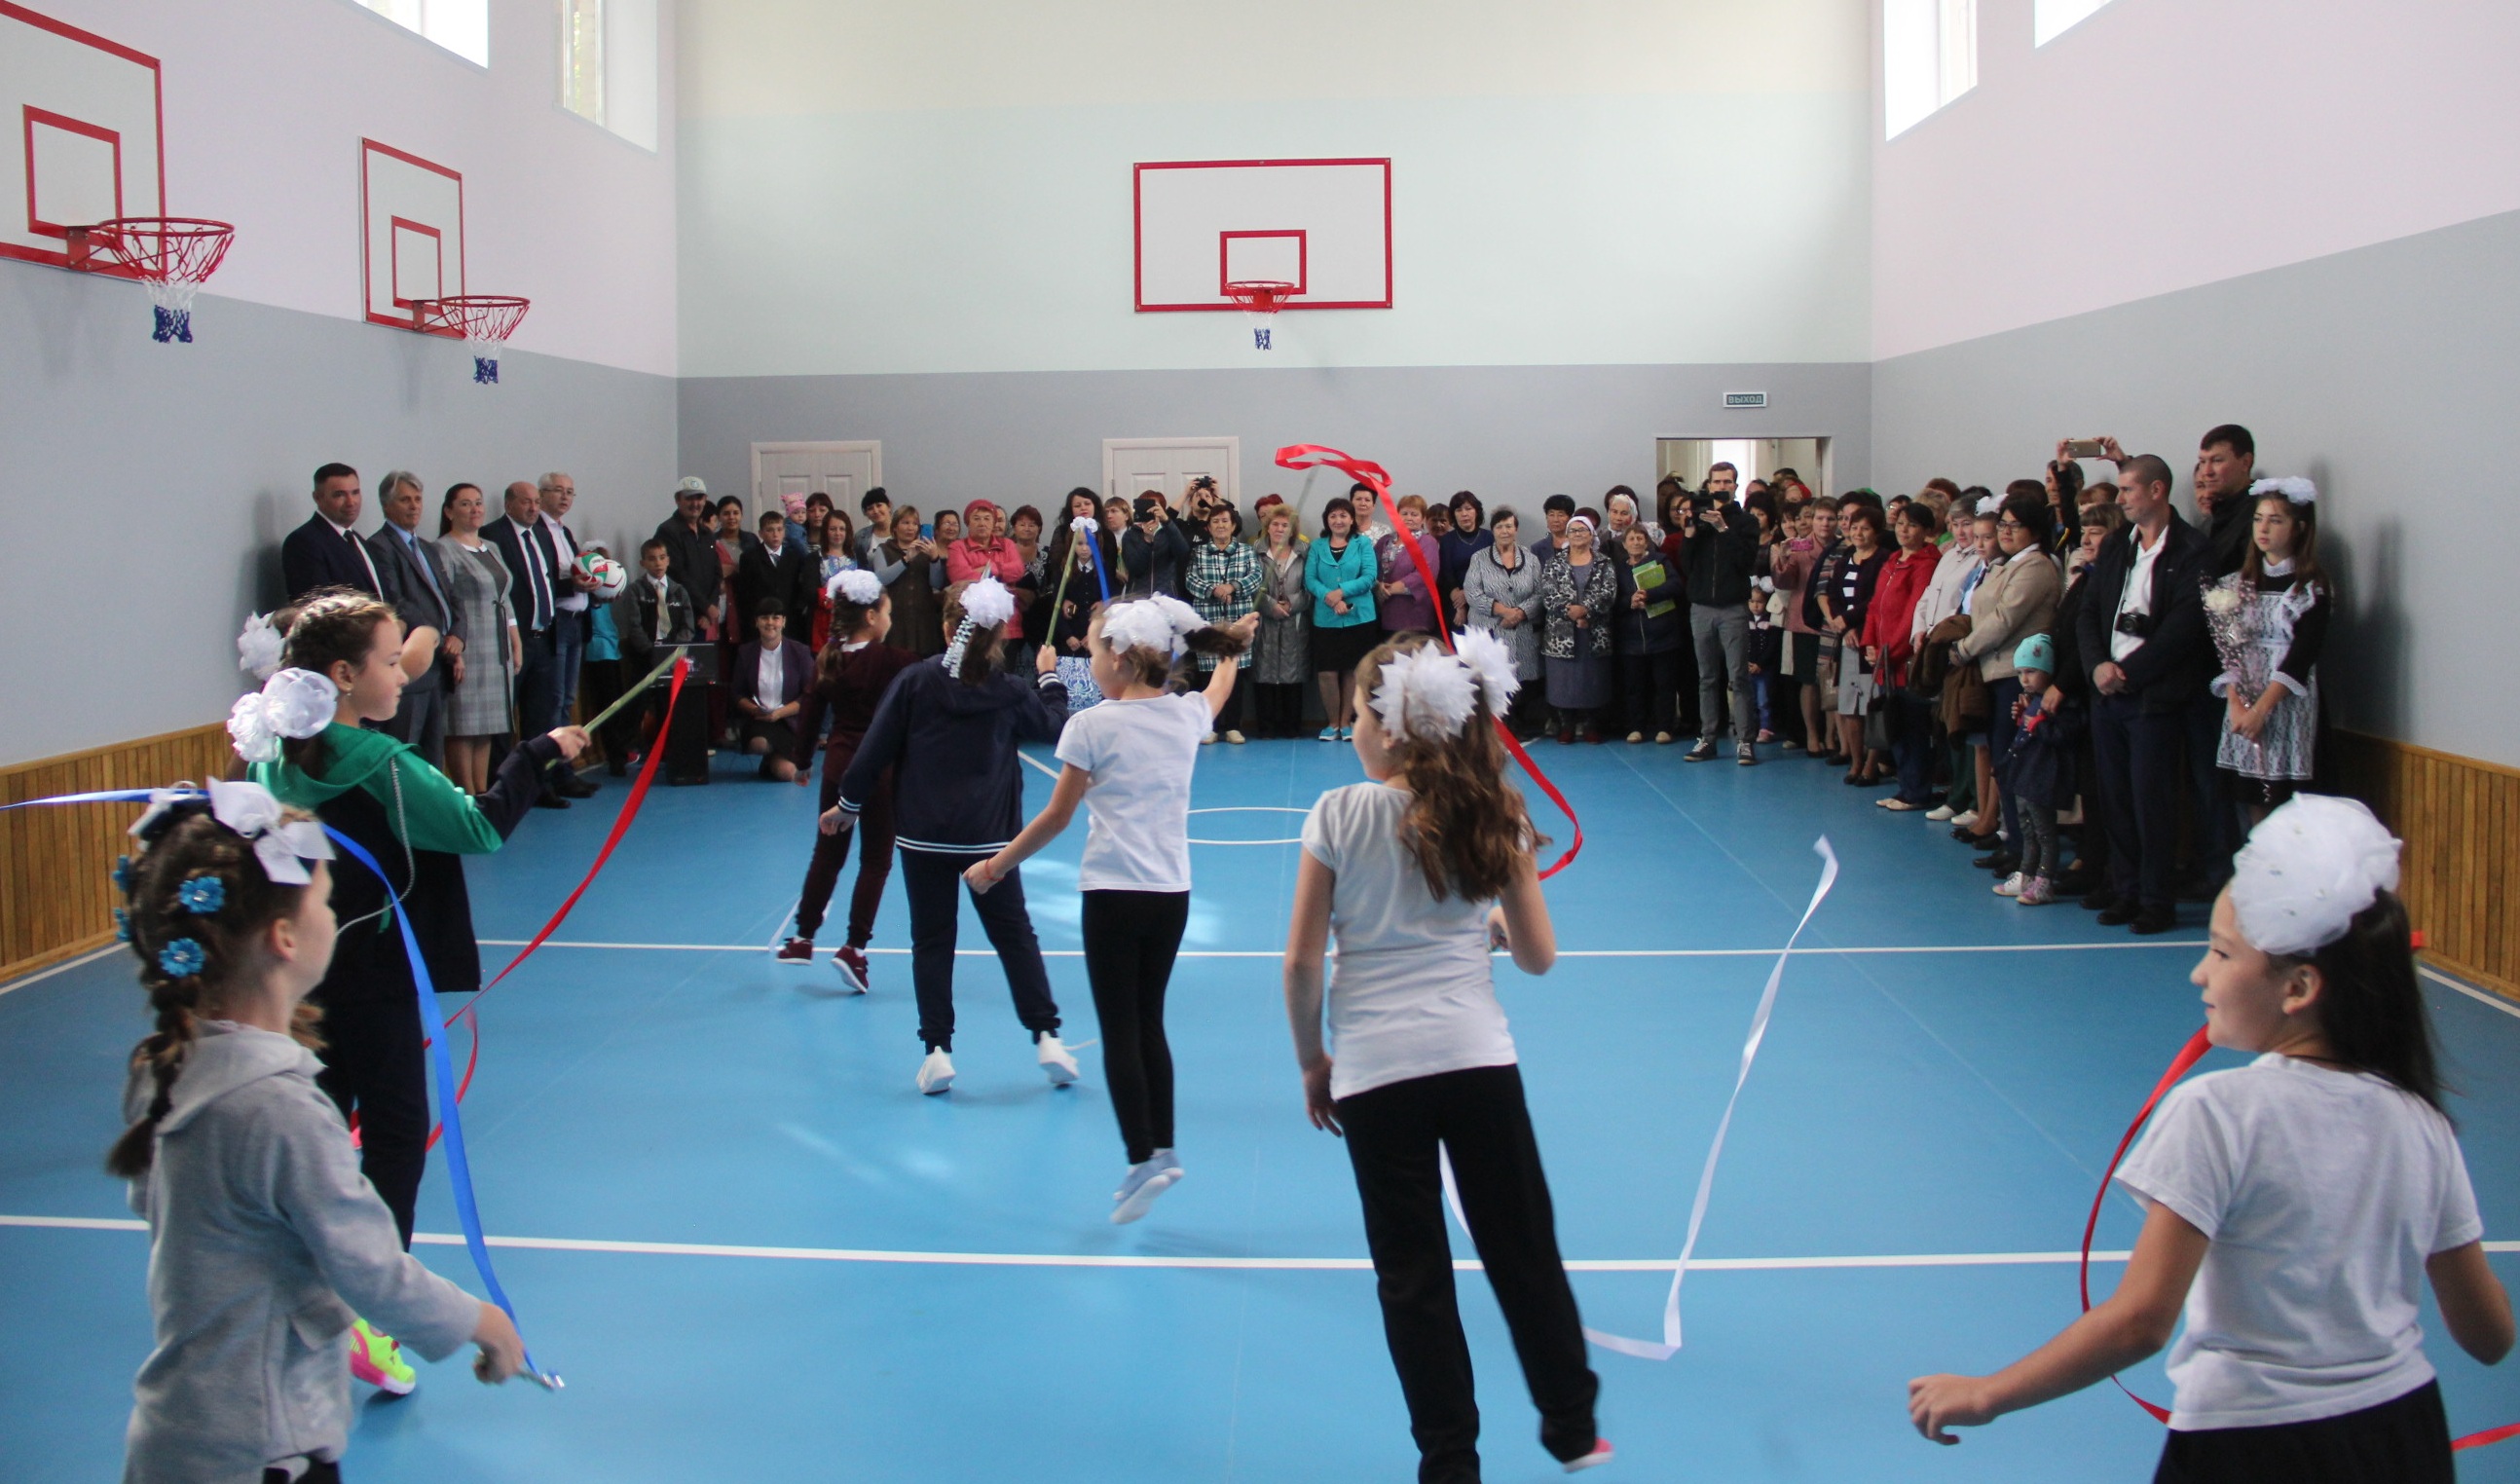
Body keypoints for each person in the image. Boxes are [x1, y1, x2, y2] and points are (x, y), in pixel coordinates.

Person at [1908, 797, 2513, 1479]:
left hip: (2254, 1444)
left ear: (2299, 987)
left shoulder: (2219, 1113)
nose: (2200, 972)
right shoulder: (2421, 1120)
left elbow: (2141, 1321)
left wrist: (1988, 1393)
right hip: (2404, 1434)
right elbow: (2489, 1337)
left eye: (2222, 952)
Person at [107, 787, 526, 1483]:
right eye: (326, 904)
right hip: (265, 1448)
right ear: (285, 938)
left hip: (172, 1436)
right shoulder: (281, 1111)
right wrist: (482, 1323)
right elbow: (372, 1269)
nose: (335, 916)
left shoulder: (167, 1068)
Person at [1282, 633, 1612, 1484]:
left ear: (1390, 728)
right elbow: (1539, 957)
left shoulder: (1338, 814)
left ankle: (1450, 1459)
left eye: (1359, 716)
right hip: (1477, 1066)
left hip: (1375, 1075)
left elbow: (1302, 963)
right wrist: (1494, 925)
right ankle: (1572, 1424)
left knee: (1413, 1276)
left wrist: (1313, 1060)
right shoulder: (1495, 809)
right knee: (1522, 1248)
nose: (1353, 731)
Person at [241, 591, 586, 1390]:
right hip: (378, 975)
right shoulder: (382, 765)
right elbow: (477, 827)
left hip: (302, 979)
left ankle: (301, 1285)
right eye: (391, 662)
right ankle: (369, 1305)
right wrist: (535, 755)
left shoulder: (272, 755)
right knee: (395, 1134)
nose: (405, 675)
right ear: (342, 675)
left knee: (320, 1126)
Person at [970, 597, 1253, 1222]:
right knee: (1149, 1021)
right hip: (1172, 895)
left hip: (1113, 894)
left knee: (1120, 1028)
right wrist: (1230, 643)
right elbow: (1221, 683)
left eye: (1097, 650)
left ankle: (1141, 1157)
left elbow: (1057, 817)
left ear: (1121, 660)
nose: (1091, 662)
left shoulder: (1090, 727)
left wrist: (994, 868)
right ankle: (1164, 1148)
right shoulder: (1185, 714)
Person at [827, 577, 1081, 1094]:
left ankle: (938, 1052)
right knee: (1014, 936)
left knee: (932, 941)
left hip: (923, 839)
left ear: (948, 630)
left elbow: (873, 750)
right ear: (999, 637)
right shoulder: (1009, 691)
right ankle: (1047, 1038)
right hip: (991, 843)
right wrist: (1050, 676)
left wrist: (848, 806)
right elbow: (1057, 725)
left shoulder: (915, 682)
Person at [2075, 455, 2215, 935]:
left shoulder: (2191, 550)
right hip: (2107, 693)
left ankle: (2156, 898)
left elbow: (2184, 628)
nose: (2120, 499)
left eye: (2128, 490)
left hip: (2154, 696)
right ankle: (2125, 888)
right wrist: (2097, 666)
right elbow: (2089, 611)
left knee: (2150, 801)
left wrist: (2127, 673)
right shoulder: (2119, 545)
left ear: (2157, 491)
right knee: (2114, 798)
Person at [780, 570, 921, 987]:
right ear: (872, 617)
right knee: (875, 861)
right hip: (880, 772)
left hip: (839, 768)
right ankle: (854, 948)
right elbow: (936, 672)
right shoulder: (893, 660)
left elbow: (810, 715)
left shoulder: (829, 658)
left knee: (827, 854)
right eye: (888, 612)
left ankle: (803, 938)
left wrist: (802, 762)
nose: (890, 620)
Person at [1949, 493, 2060, 862]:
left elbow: (2004, 619)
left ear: (2035, 530)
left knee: (2015, 764)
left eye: (2015, 525)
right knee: (2003, 761)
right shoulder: (2005, 564)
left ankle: (2023, 850)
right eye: (2003, 525)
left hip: (2017, 674)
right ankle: (2012, 840)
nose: (2006, 532)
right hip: (1994, 671)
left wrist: (1964, 648)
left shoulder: (2035, 567)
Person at [2211, 478, 2329, 825]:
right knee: (2251, 804)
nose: (2263, 529)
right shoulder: (2235, 584)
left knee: (2287, 808)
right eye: (2258, 519)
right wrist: (2237, 705)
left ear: (2299, 528)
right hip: (2244, 702)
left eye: (2275, 520)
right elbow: (2230, 650)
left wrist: (2261, 710)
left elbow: (2300, 659)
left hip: (2284, 704)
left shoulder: (2310, 589)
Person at [365, 470, 463, 768]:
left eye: (418, 499)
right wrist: (437, 636)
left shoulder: (428, 548)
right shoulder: (379, 546)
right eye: (405, 500)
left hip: (440, 665)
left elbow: (451, 597)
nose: (414, 506)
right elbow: (396, 602)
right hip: (413, 663)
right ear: (386, 506)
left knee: (433, 754)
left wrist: (458, 635)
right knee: (407, 753)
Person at [431, 484, 520, 798]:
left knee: (486, 727)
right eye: (465, 504)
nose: (474, 509)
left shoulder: (491, 547)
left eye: (478, 503)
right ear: (449, 511)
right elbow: (443, 602)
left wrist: (516, 641)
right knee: (463, 725)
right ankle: (466, 795)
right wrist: (453, 650)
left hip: (497, 647)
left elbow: (504, 598)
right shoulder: (443, 549)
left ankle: (482, 793)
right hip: (468, 647)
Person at [481, 481, 568, 778]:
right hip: (512, 642)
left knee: (541, 721)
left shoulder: (542, 535)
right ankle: (502, 785)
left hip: (545, 639)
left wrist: (582, 586)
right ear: (508, 505)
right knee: (505, 721)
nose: (533, 508)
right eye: (526, 502)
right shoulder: (492, 535)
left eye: (536, 502)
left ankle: (537, 786)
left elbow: (547, 582)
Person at [1863, 501, 1943, 809]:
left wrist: (1890, 651)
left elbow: (1913, 613)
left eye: (1912, 525)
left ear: (1926, 531)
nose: (1904, 530)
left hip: (1905, 661)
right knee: (1894, 724)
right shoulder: (1893, 560)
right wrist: (1870, 643)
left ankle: (1916, 791)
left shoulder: (1925, 564)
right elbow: (1875, 606)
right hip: (1884, 659)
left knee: (1912, 727)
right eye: (1900, 524)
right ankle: (1906, 787)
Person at [1679, 466, 1761, 763]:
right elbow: (1687, 565)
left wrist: (1723, 529)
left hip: (1733, 607)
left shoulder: (1746, 522)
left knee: (1738, 676)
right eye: (1717, 482)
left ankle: (1745, 740)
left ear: (1735, 486)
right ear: (1709, 485)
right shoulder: (1700, 519)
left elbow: (1746, 562)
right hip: (1701, 607)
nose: (1721, 486)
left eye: (1727, 481)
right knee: (1707, 677)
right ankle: (1708, 738)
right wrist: (1690, 533)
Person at [1990, 635, 2081, 905]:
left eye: (2031, 671)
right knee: (2027, 828)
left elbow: (2066, 734)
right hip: (2025, 773)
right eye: (2020, 673)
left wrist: (2037, 725)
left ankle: (2044, 881)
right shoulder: (2034, 700)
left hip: (2042, 776)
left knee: (2044, 832)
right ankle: (2026, 874)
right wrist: (2024, 719)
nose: (2025, 679)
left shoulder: (2062, 703)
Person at [536, 471, 600, 798]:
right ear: (541, 494)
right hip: (556, 622)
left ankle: (564, 771)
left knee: (568, 701)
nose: (564, 497)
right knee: (554, 700)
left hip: (577, 621)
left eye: (570, 492)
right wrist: (572, 584)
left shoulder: (565, 532)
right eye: (558, 490)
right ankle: (549, 775)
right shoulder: (536, 531)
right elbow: (542, 582)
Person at [1821, 501, 1891, 784]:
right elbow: (1833, 594)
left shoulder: (1883, 559)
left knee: (1870, 704)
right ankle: (1856, 761)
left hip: (1871, 637)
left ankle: (1871, 765)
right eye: (1855, 527)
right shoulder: (1845, 558)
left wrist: (1849, 619)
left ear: (1877, 532)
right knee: (1849, 704)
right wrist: (1844, 625)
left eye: (1865, 528)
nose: (1858, 533)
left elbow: (1876, 599)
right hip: (1848, 639)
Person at [611, 538, 698, 764]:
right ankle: (626, 751)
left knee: (667, 705)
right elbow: (634, 626)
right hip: (644, 657)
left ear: (668, 560)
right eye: (651, 559)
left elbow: (688, 626)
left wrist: (673, 650)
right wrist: (651, 652)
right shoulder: (635, 590)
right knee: (636, 703)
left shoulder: (679, 591)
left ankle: (668, 749)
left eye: (661, 558)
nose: (657, 563)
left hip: (671, 658)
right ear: (642, 563)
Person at [1463, 507, 1545, 739]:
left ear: (1516, 529)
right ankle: (1494, 727)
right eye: (1499, 526)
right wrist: (1504, 611)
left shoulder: (1531, 559)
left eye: (1509, 526)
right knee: (1491, 679)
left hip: (1522, 630)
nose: (1505, 531)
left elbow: (1540, 593)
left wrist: (1520, 613)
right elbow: (1472, 593)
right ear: (1493, 530)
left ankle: (1517, 723)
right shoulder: (1479, 558)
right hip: (1490, 629)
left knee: (1522, 678)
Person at [1305, 500, 1380, 741]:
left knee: (1352, 671)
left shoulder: (1363, 543)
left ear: (1351, 519)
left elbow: (1369, 576)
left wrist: (1342, 592)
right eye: (1333, 516)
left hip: (1360, 618)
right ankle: (1332, 723)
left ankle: (1346, 722)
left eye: (1343, 516)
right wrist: (1331, 598)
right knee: (1327, 672)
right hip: (1326, 618)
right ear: (1327, 520)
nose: (1338, 520)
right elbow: (1310, 579)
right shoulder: (1317, 546)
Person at [1188, 502, 1262, 743]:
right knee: (1208, 675)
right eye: (1215, 521)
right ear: (1208, 527)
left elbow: (1256, 577)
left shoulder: (1246, 551)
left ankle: (1233, 726)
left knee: (1235, 673)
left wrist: (1233, 587)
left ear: (1233, 526)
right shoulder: (1198, 552)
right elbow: (1190, 579)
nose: (1221, 525)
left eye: (1225, 521)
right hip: (1207, 619)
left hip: (1237, 618)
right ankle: (1210, 726)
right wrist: (1213, 590)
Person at [1540, 514, 1616, 745]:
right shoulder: (1554, 563)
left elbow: (1609, 592)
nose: (1577, 534)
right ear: (1567, 535)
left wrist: (1586, 611)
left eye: (1582, 530)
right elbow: (1549, 593)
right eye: (1573, 531)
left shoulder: (1604, 562)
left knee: (1593, 680)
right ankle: (1567, 726)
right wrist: (1571, 612)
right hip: (1561, 634)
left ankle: (1591, 726)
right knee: (1563, 682)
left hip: (1594, 632)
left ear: (1592, 534)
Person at [1612, 524, 1684, 743]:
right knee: (1634, 686)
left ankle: (1665, 728)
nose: (1636, 542)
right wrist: (1630, 601)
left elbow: (1675, 585)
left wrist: (1649, 595)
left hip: (1663, 636)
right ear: (1624, 544)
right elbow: (1613, 601)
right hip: (1631, 639)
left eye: (1640, 538)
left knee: (1665, 685)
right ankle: (1636, 727)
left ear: (1647, 542)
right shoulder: (1618, 569)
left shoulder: (1660, 561)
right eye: (1631, 539)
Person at [731, 598, 813, 782]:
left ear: (783, 622)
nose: (770, 623)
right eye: (764, 618)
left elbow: (810, 695)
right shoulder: (745, 652)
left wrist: (779, 713)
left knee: (788, 774)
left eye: (776, 618)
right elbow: (737, 693)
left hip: (790, 722)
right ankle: (770, 754)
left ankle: (772, 760)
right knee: (759, 744)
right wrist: (755, 710)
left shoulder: (800, 652)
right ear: (756, 622)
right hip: (758, 720)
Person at [1250, 502, 1313, 738]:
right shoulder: (1254, 552)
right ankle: (1266, 727)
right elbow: (1250, 585)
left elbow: (1312, 586)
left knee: (1293, 670)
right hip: (1264, 620)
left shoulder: (1305, 553)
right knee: (1263, 670)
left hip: (1295, 620)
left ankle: (1291, 726)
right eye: (1275, 524)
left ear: (1293, 529)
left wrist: (1292, 604)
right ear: (1267, 527)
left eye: (1285, 525)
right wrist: (1270, 605)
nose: (1279, 529)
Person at [280, 463, 385, 602]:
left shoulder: (359, 541)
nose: (351, 502)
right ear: (317, 498)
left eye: (355, 492)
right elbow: (316, 605)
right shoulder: (303, 542)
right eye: (339, 495)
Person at [946, 500, 1034, 643]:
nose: (982, 523)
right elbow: (960, 577)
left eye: (987, 518)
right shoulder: (958, 547)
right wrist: (1001, 578)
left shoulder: (1007, 544)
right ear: (968, 523)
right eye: (976, 518)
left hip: (1007, 625)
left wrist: (991, 568)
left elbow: (1018, 570)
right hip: (971, 624)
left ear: (994, 522)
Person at [654, 477, 723, 639]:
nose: (695, 503)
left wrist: (709, 608)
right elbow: (677, 575)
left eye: (699, 498)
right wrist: (706, 607)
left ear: (705, 500)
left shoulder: (707, 534)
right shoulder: (667, 531)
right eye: (689, 498)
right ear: (677, 500)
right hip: (678, 618)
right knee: (679, 657)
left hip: (703, 619)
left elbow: (717, 573)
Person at [736, 507, 816, 649]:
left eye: (779, 529)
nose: (775, 534)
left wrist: (796, 611)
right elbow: (745, 593)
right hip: (761, 622)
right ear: (761, 533)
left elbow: (799, 588)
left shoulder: (794, 557)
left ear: (784, 532)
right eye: (770, 530)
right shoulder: (749, 558)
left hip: (789, 621)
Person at [872, 504, 945, 659]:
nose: (910, 528)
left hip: (923, 621)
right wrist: (906, 559)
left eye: (914, 523)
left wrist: (934, 559)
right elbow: (881, 578)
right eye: (905, 523)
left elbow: (937, 583)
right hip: (895, 620)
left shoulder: (926, 550)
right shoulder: (884, 549)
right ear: (895, 527)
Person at [1374, 495, 1443, 638]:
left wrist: (1389, 590)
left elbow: (1425, 575)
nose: (1409, 518)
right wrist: (1377, 586)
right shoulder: (1385, 541)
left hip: (1413, 615)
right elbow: (1370, 568)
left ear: (1423, 519)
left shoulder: (1427, 542)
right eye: (1404, 513)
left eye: (1414, 514)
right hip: (1384, 611)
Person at [1122, 492, 1192, 601]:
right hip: (1138, 598)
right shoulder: (1131, 535)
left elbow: (1183, 552)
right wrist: (1147, 540)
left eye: (1154, 507)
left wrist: (1167, 521)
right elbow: (1135, 567)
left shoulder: (1169, 532)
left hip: (1166, 596)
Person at [1436, 492, 1492, 628]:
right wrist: (1459, 605)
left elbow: (1492, 572)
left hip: (1485, 597)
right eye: (1459, 510)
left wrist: (1468, 594)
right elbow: (1446, 572)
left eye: (1468, 509)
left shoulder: (1489, 537)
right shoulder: (1447, 540)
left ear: (1477, 511)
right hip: (1455, 600)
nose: (1464, 514)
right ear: (1453, 514)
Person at [811, 509, 859, 650]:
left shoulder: (858, 556)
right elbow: (809, 592)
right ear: (825, 531)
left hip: (853, 620)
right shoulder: (814, 558)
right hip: (825, 622)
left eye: (842, 529)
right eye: (833, 529)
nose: (837, 533)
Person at [857, 487, 892, 566]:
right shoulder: (860, 537)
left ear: (889, 506)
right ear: (866, 513)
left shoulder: (904, 531)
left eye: (879, 505)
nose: (875, 511)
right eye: (870, 508)